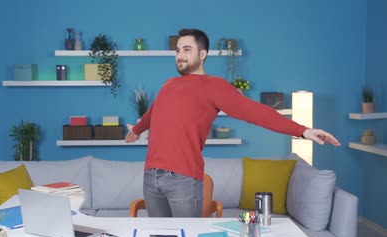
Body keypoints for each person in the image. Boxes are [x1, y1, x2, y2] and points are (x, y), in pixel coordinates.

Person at [125, 28, 340, 218]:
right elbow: (153, 112)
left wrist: (303, 130)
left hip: (182, 179)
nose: (180, 55)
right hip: (151, 177)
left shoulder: (214, 86)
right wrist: (136, 130)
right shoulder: (169, 84)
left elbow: (256, 112)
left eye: (187, 50)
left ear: (203, 54)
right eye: (178, 50)